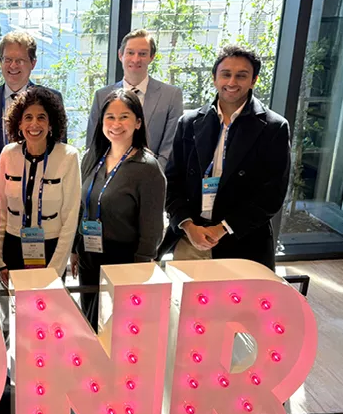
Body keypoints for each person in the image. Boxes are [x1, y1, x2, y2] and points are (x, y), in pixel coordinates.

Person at [164, 44, 291, 270]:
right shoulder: (190, 123)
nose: (232, 82)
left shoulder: (274, 128)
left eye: (241, 76)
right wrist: (188, 226)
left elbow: (272, 195)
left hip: (242, 242)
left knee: (236, 306)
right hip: (191, 238)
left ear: (253, 80)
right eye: (226, 74)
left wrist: (222, 227)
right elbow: (172, 182)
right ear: (215, 78)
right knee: (186, 304)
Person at [74, 88, 167, 329]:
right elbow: (80, 207)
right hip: (89, 256)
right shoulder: (92, 157)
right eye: (110, 117)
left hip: (124, 261)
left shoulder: (147, 168)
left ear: (138, 122)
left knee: (116, 330)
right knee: (91, 326)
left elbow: (152, 229)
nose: (116, 123)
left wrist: (140, 268)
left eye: (124, 116)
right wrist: (75, 249)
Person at [0, 86, 81, 286]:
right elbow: (0, 211)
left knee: (47, 314)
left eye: (41, 117)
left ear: (51, 124)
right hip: (13, 248)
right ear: (19, 123)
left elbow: (70, 219)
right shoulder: (8, 154)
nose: (34, 124)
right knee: (15, 313)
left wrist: (56, 270)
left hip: (51, 249)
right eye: (28, 117)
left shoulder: (68, 156)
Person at [86, 29, 184, 166]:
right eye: (130, 53)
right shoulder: (101, 96)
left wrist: (150, 175)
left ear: (152, 57)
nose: (136, 59)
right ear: (120, 55)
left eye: (142, 54)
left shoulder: (171, 96)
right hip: (109, 179)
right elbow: (93, 145)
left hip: (153, 178)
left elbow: (170, 148)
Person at [0, 32, 66, 171]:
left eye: (20, 60)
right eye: (7, 59)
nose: (13, 66)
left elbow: (59, 146)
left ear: (33, 63)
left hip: (41, 181)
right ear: (0, 61)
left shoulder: (51, 99)